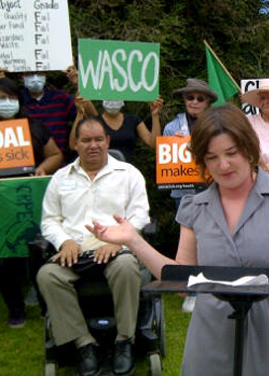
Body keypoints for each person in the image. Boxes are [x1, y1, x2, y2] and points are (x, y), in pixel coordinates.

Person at [87, 104, 269, 376]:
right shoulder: (194, 209)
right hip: (212, 338)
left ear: (250, 148)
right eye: (212, 157)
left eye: (232, 153)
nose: (224, 165)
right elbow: (181, 281)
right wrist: (133, 240)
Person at [36, 117, 150, 376]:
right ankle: (84, 344)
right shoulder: (60, 178)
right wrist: (64, 241)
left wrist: (119, 238)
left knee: (125, 265)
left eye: (99, 139)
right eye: (86, 140)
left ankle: (125, 340)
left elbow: (140, 215)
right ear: (75, 144)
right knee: (47, 275)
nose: (93, 145)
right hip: (75, 251)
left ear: (108, 141)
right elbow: (50, 219)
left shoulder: (128, 174)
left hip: (114, 248)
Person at [0, 76, 63, 328]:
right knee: (7, 258)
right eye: (1, 99)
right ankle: (15, 309)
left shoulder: (34, 127)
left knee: (39, 253)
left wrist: (42, 168)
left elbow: (56, 154)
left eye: (10, 99)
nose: (6, 103)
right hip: (3, 206)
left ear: (19, 100)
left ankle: (46, 304)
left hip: (31, 200)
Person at [163, 78, 216, 313]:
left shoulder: (216, 126)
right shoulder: (172, 128)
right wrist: (171, 147)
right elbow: (165, 161)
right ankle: (192, 291)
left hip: (210, 187)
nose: (194, 102)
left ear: (208, 102)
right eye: (190, 97)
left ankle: (212, 285)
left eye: (200, 98)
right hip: (183, 191)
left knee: (212, 238)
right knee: (188, 241)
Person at [20, 71, 96, 157]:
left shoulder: (61, 98)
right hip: (24, 161)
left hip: (60, 165)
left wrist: (80, 88)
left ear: (45, 74)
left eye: (40, 73)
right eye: (30, 74)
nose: (35, 78)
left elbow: (92, 119)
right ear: (22, 77)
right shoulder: (17, 100)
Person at [69, 97, 164, 162]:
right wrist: (80, 113)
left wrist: (155, 115)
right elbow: (74, 145)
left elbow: (154, 144)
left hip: (127, 174)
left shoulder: (133, 120)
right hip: (100, 171)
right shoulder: (95, 122)